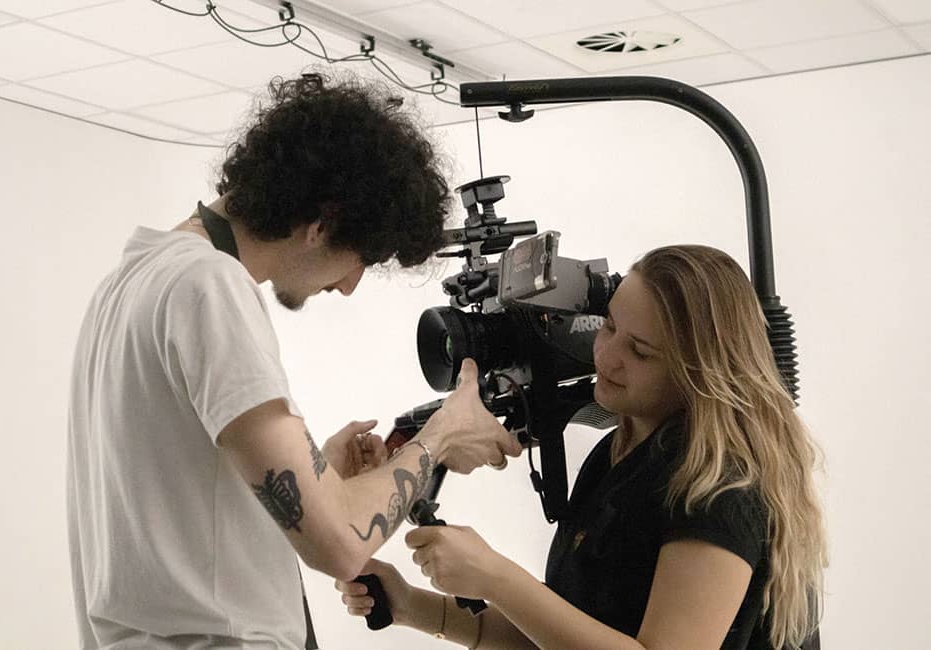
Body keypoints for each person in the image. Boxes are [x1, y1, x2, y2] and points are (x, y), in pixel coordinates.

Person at [66, 72, 522, 649]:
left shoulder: (134, 277)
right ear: (321, 225)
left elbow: (178, 514)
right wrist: (441, 437)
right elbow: (339, 544)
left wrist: (318, 479)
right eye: (365, 256)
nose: (352, 284)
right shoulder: (211, 288)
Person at [336, 244, 827, 649]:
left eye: (639, 351)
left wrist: (496, 577)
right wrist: (414, 606)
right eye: (609, 326)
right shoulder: (621, 452)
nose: (607, 356)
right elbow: (560, 636)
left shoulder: (722, 488)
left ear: (698, 373)